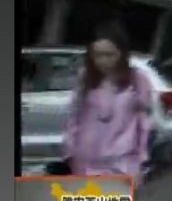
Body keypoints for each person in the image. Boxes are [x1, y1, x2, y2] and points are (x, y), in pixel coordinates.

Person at [63, 22, 153, 187]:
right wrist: (70, 153)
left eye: (109, 55)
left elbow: (144, 124)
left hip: (122, 162)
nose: (103, 61)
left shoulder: (137, 79)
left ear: (121, 53)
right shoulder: (85, 77)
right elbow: (74, 117)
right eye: (97, 55)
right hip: (85, 162)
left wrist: (141, 161)